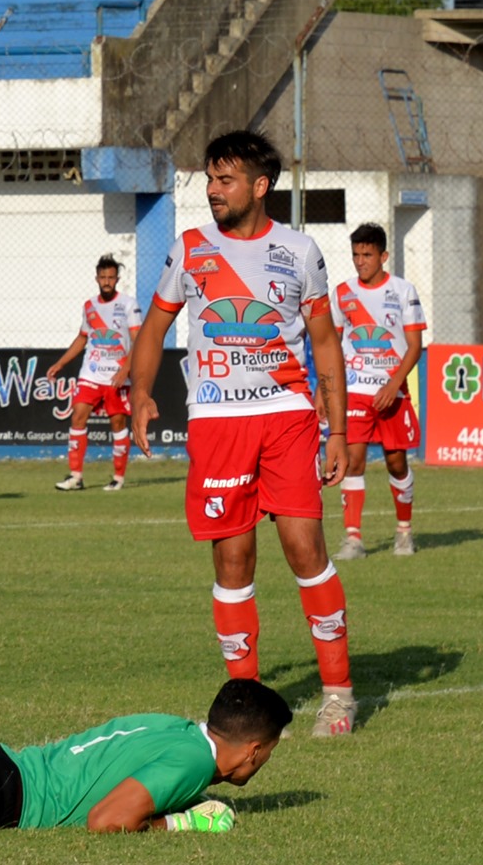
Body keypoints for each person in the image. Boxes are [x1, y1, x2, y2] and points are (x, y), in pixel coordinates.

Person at [129, 130, 356, 738]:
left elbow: (326, 342)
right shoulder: (189, 248)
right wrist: (141, 393)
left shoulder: (301, 251)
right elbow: (152, 328)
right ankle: (246, 702)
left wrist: (337, 429)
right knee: (233, 559)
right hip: (216, 422)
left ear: (260, 186)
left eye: (225, 180)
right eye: (209, 179)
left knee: (305, 547)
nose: (212, 191)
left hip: (287, 415)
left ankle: (338, 693)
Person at [0, 679, 289, 834]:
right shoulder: (193, 762)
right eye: (268, 752)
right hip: (0, 794)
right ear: (253, 750)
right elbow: (106, 821)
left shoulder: (173, 727)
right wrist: (180, 823)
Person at [330, 223, 425, 557]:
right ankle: (353, 538)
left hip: (392, 392)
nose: (360, 261)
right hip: (355, 389)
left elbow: (415, 345)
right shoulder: (341, 293)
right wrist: (323, 390)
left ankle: (403, 531)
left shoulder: (403, 290)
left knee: (396, 463)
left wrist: (394, 383)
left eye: (367, 254)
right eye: (356, 254)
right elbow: (332, 346)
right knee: (352, 459)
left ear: (383, 256)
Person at [42, 254, 142, 492]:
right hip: (91, 372)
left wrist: (125, 370)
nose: (106, 281)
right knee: (77, 416)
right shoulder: (89, 306)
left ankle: (118, 478)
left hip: (117, 375)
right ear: (96, 278)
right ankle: (76, 477)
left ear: (117, 279)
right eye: (102, 277)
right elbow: (82, 338)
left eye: (111, 277)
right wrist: (61, 363)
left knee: (117, 423)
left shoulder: (129, 304)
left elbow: (138, 340)